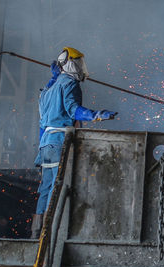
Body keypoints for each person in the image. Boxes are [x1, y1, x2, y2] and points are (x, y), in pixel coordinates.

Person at [31, 47, 117, 238]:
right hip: (60, 141)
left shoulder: (47, 90)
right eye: (77, 63)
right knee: (57, 186)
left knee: (45, 188)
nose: (80, 68)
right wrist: (96, 115)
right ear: (69, 64)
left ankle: (36, 233)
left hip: (45, 145)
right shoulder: (70, 83)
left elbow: (42, 123)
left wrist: (53, 77)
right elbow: (73, 110)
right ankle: (51, 233)